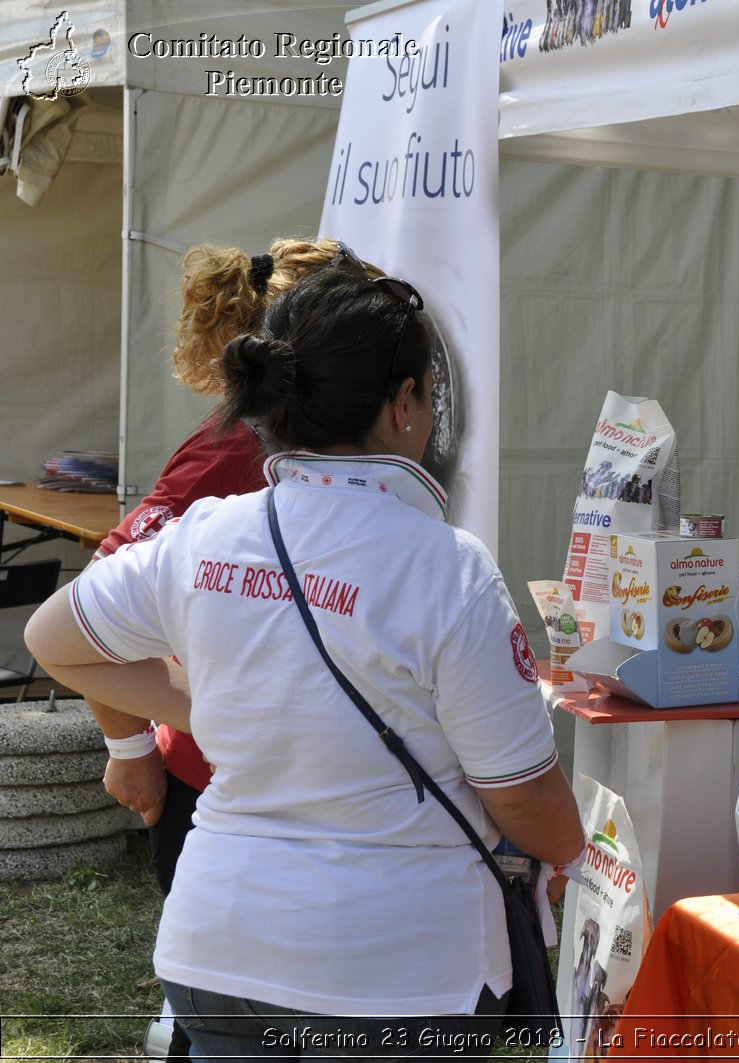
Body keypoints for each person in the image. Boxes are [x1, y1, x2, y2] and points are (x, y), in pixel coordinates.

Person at [26, 267, 585, 1061]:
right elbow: (523, 794)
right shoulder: (448, 568)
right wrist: (573, 849)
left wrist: (223, 704)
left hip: (219, 948)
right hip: (397, 974)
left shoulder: (205, 535)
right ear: (403, 403)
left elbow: (54, 638)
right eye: (425, 396)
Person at [94, 238, 378, 896]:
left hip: (311, 788)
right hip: (222, 790)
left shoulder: (339, 446)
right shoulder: (232, 446)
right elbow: (103, 589)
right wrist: (129, 748)